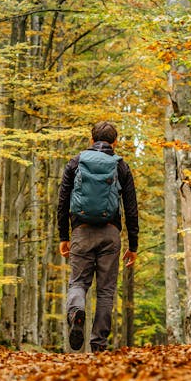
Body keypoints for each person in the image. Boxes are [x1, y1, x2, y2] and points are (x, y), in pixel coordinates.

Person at [57, 121, 139, 352]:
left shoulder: (76, 163)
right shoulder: (120, 166)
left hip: (81, 232)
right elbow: (131, 208)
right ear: (115, 142)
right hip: (110, 233)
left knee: (78, 282)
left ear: (92, 140)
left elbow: (63, 202)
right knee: (105, 290)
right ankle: (98, 344)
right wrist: (133, 244)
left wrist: (64, 236)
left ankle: (76, 312)